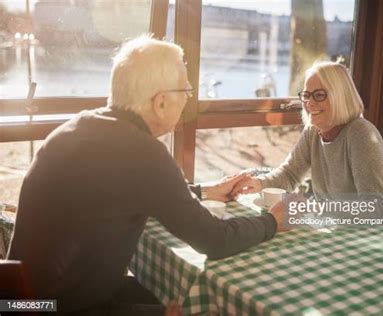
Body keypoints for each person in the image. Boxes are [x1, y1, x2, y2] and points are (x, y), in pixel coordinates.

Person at [7, 35, 284, 315]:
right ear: (161, 102)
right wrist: (272, 221)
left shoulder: (78, 127)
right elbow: (214, 240)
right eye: (186, 91)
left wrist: (205, 192)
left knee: (161, 294)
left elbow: (126, 192)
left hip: (18, 302)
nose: (188, 100)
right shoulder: (141, 151)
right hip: (58, 308)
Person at [232, 61, 383, 229]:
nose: (309, 103)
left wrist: (315, 207)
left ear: (340, 96)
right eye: (306, 95)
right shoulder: (313, 131)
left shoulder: (361, 133)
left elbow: (374, 209)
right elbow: (290, 175)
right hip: (341, 232)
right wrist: (258, 183)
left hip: (382, 236)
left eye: (319, 95)